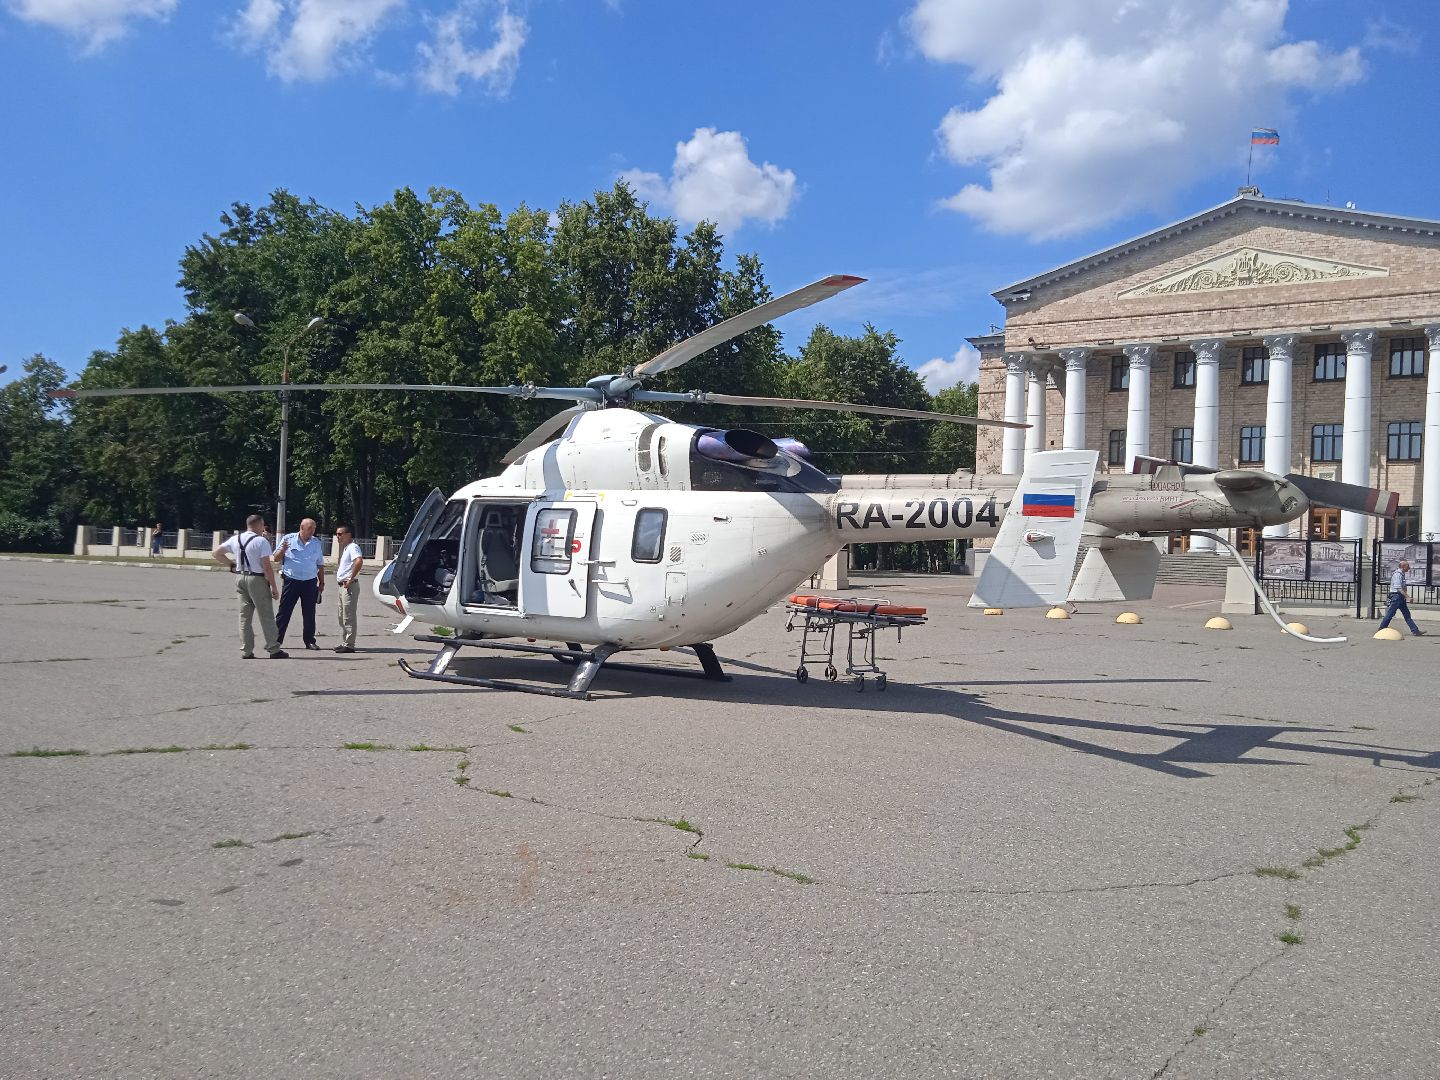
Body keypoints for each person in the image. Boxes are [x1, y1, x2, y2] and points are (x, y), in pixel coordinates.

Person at [211, 514, 287, 659]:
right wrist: (274, 587)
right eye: (263, 525)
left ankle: (246, 650)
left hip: (240, 577)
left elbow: (216, 553)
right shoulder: (261, 541)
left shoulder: (236, 538)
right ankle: (273, 648)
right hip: (256, 579)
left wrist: (231, 565)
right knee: (266, 615)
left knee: (244, 616)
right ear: (258, 525)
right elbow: (266, 566)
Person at [271, 517, 326, 650]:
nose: (312, 531)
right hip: (291, 581)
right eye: (309, 529)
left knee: (309, 613)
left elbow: (320, 563)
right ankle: (276, 641)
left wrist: (322, 582)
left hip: (310, 582)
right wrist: (283, 550)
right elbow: (276, 558)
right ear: (301, 528)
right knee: (284, 612)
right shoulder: (288, 539)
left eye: (314, 529)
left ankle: (309, 641)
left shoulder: (316, 543)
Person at [333, 525, 364, 653]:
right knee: (342, 615)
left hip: (349, 586)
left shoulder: (353, 547)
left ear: (348, 534)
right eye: (337, 534)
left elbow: (359, 561)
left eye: (340, 534)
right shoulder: (346, 548)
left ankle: (350, 645)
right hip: (342, 586)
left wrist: (351, 577)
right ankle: (345, 641)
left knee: (348, 616)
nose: (338, 537)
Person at [1378, 558, 1426, 637]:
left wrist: (1405, 596)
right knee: (1390, 614)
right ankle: (1381, 629)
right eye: (1408, 566)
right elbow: (1398, 588)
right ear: (1403, 567)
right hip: (1396, 597)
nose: (1409, 568)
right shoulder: (1397, 575)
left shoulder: (1401, 574)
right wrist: (1407, 597)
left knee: (1406, 614)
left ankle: (1415, 631)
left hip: (1400, 597)